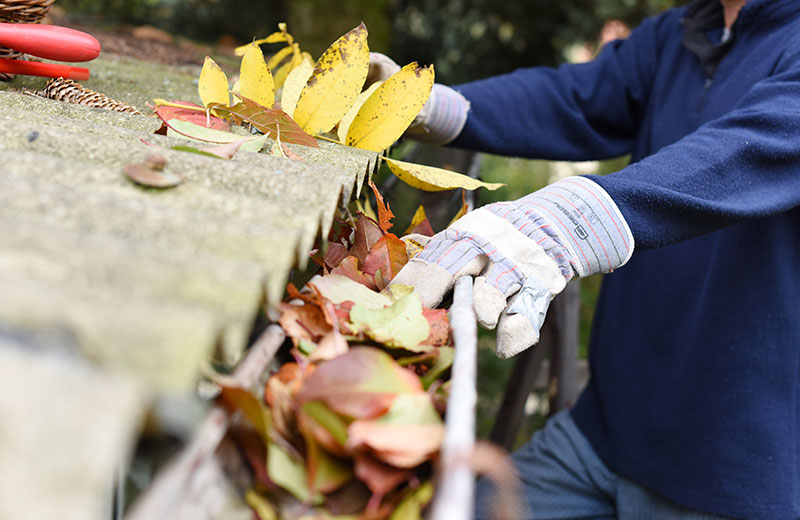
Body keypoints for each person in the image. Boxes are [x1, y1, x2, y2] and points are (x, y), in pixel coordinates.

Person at [374, 0, 800, 518]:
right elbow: (576, 98)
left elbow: (754, 147)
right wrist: (432, 106)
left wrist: (575, 219)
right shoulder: (685, 30)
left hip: (732, 473)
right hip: (602, 432)